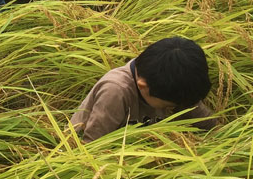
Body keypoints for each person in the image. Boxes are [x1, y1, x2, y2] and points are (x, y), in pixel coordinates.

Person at [71, 37, 217, 142]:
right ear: (143, 86)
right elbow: (91, 146)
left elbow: (210, 126)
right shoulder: (115, 91)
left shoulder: (175, 80)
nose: (174, 108)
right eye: (169, 106)